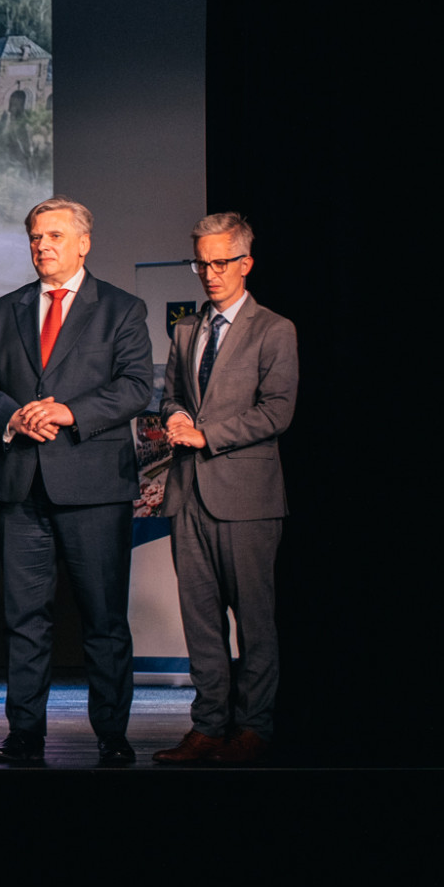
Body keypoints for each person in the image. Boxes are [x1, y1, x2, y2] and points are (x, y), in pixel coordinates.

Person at [0, 198, 154, 768]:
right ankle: (25, 734)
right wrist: (11, 414)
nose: (41, 245)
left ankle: (111, 735)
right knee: (23, 620)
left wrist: (67, 411)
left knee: (103, 619)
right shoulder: (2, 310)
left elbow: (135, 386)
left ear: (83, 243)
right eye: (34, 237)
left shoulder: (121, 307)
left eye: (53, 236)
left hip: (93, 486)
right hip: (20, 484)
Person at [152, 212, 297, 766]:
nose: (208, 274)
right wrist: (174, 419)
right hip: (187, 495)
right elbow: (169, 397)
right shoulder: (186, 328)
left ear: (246, 263)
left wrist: (206, 433)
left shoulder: (274, 329)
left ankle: (254, 727)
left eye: (219, 263)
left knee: (254, 621)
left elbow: (278, 411)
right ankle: (209, 726)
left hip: (248, 497)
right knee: (201, 619)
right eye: (200, 263)